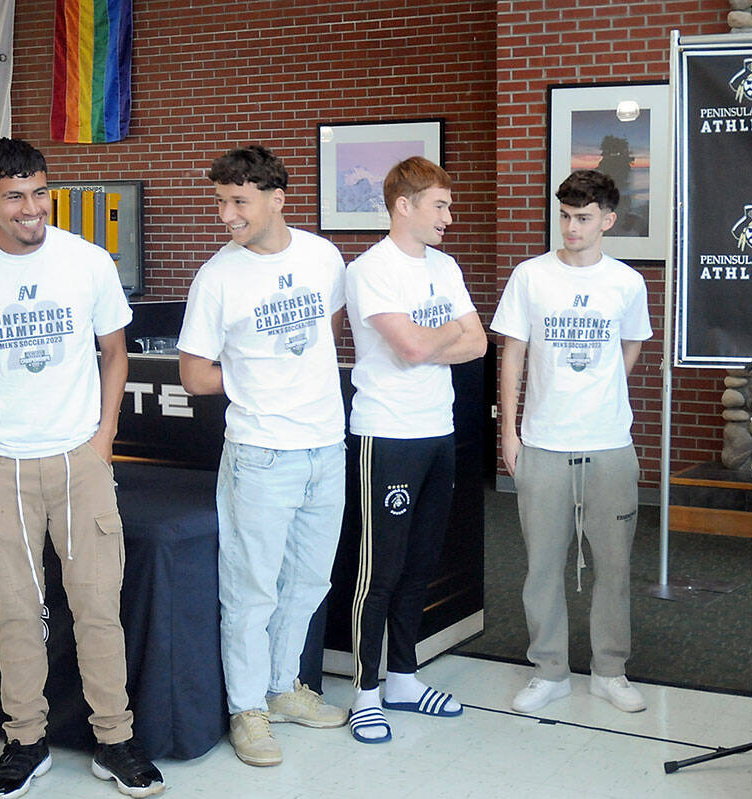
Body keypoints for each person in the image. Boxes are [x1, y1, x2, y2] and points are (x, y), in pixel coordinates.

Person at [0, 138, 164, 798]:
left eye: (39, 192)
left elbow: (115, 352)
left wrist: (104, 436)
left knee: (98, 607)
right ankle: (25, 740)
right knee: (17, 612)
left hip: (80, 459)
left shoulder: (87, 261)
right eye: (14, 196)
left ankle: (114, 739)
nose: (31, 208)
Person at [178, 145, 350, 767]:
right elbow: (195, 373)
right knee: (251, 591)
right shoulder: (217, 276)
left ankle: (282, 689)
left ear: (278, 199)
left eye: (238, 202)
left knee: (308, 581)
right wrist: (256, 373)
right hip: (260, 455)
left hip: (327, 446)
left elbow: (329, 332)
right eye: (220, 202)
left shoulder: (323, 257)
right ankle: (247, 707)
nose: (226, 215)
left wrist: (285, 371)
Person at [490, 170, 652, 715]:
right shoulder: (530, 276)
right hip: (542, 440)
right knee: (542, 564)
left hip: (608, 441)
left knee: (613, 564)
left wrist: (599, 392)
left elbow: (629, 348)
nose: (571, 227)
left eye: (583, 218)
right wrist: (508, 432)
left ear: (608, 220)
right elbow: (511, 353)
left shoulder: (627, 282)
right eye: (564, 216)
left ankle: (610, 669)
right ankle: (550, 670)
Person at [343, 156, 486, 743]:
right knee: (382, 567)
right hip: (388, 432)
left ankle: (403, 678)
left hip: (438, 429)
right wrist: (440, 336)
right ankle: (365, 692)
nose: (449, 219)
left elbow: (477, 343)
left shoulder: (446, 267)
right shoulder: (371, 269)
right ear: (404, 205)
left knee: (423, 561)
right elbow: (407, 349)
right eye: (440, 207)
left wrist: (438, 339)